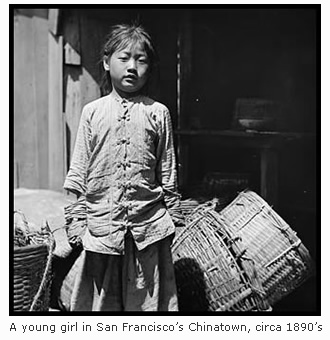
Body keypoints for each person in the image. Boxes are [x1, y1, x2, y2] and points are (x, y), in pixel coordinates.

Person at [61, 23, 183, 311]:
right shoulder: (92, 112)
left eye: (141, 60)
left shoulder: (158, 112)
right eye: (124, 58)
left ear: (149, 67)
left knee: (148, 307)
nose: (132, 67)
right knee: (103, 307)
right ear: (106, 62)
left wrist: (174, 218)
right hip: (102, 227)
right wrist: (77, 221)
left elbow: (168, 171)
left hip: (148, 228)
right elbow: (79, 170)